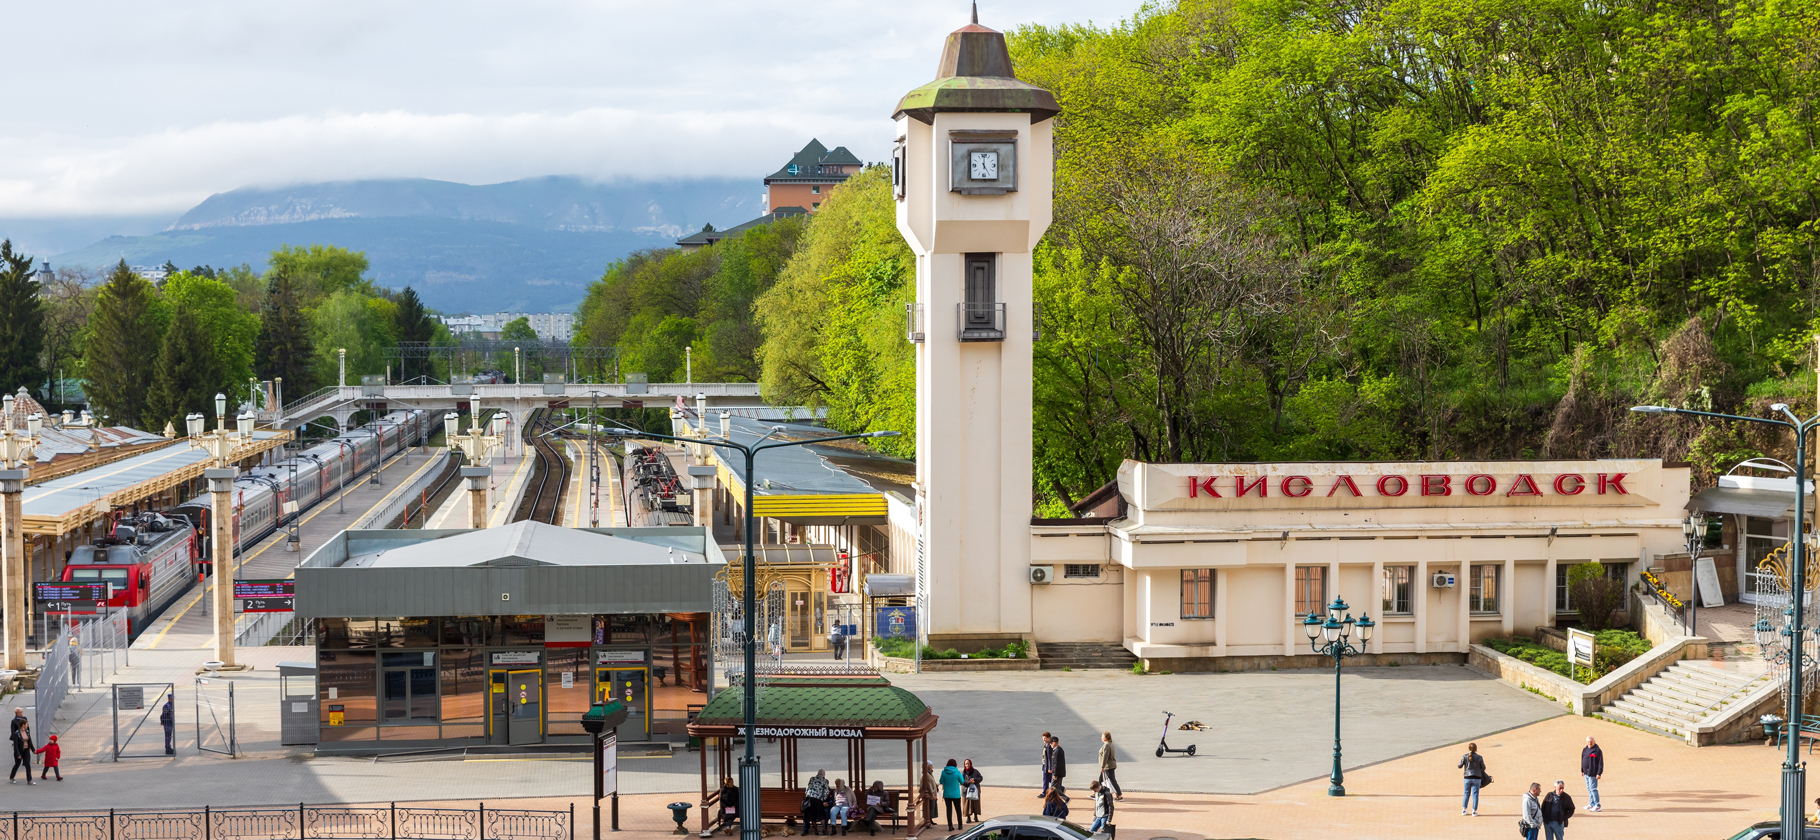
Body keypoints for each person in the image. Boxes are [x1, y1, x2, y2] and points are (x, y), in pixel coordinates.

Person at [1457, 742, 1486, 816]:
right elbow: (1483, 768)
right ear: (1476, 749)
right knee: (1475, 794)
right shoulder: (1479, 757)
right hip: (1477, 778)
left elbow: (1459, 766)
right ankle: (1474, 811)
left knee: (1466, 793)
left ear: (1468, 748)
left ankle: (1464, 810)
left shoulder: (1465, 756)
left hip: (1467, 778)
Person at [9, 708, 34, 785]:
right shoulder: (14, 723)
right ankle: (12, 777)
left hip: (26, 749)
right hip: (19, 748)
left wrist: (33, 749)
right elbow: (15, 742)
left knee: (27, 764)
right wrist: (18, 753)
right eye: (20, 712)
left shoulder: (26, 730)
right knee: (17, 764)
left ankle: (29, 780)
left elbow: (30, 740)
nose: (22, 713)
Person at [804, 769, 831, 835]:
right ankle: (824, 829)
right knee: (821, 815)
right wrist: (823, 799)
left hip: (810, 798)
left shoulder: (812, 779)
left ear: (818, 773)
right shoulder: (825, 781)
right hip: (819, 799)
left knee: (812, 816)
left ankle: (816, 831)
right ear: (824, 774)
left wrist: (807, 795)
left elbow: (808, 788)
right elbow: (826, 792)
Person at [940, 759, 964, 831]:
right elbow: (962, 781)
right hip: (956, 794)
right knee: (958, 810)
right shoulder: (957, 772)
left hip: (947, 794)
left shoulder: (943, 772)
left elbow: (941, 781)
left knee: (949, 810)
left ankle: (950, 826)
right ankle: (960, 825)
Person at [1581, 736, 1603, 812]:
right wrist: (1582, 770)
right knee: (1589, 789)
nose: (1589, 743)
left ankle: (1597, 805)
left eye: (1591, 742)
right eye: (1588, 742)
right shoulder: (1585, 749)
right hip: (1586, 773)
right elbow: (1582, 759)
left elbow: (1600, 763)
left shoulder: (1597, 751)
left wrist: (1599, 773)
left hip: (1593, 773)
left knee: (1593, 789)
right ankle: (1591, 803)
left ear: (1594, 741)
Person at [1097, 731, 1122, 801]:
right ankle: (1098, 793)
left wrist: (1102, 767)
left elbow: (1105, 757)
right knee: (1101, 779)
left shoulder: (1107, 746)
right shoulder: (1110, 744)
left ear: (1105, 738)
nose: (1101, 737)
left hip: (1108, 766)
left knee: (1112, 780)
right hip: (1109, 765)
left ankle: (1119, 795)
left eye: (1102, 736)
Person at [917, 760, 938, 831]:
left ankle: (930, 819)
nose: (932, 767)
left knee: (932, 807)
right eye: (931, 766)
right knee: (929, 807)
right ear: (928, 767)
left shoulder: (929, 774)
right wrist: (932, 793)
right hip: (929, 795)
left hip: (931, 794)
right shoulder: (926, 775)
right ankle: (927, 820)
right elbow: (928, 785)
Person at [1039, 732, 1055, 798]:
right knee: (1050, 779)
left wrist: (1049, 768)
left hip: (1047, 766)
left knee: (1046, 780)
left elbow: (1049, 757)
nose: (1044, 740)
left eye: (1045, 738)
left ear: (1049, 738)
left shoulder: (1049, 746)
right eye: (1043, 738)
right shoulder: (1046, 745)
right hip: (1045, 765)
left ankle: (1044, 793)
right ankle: (1061, 788)